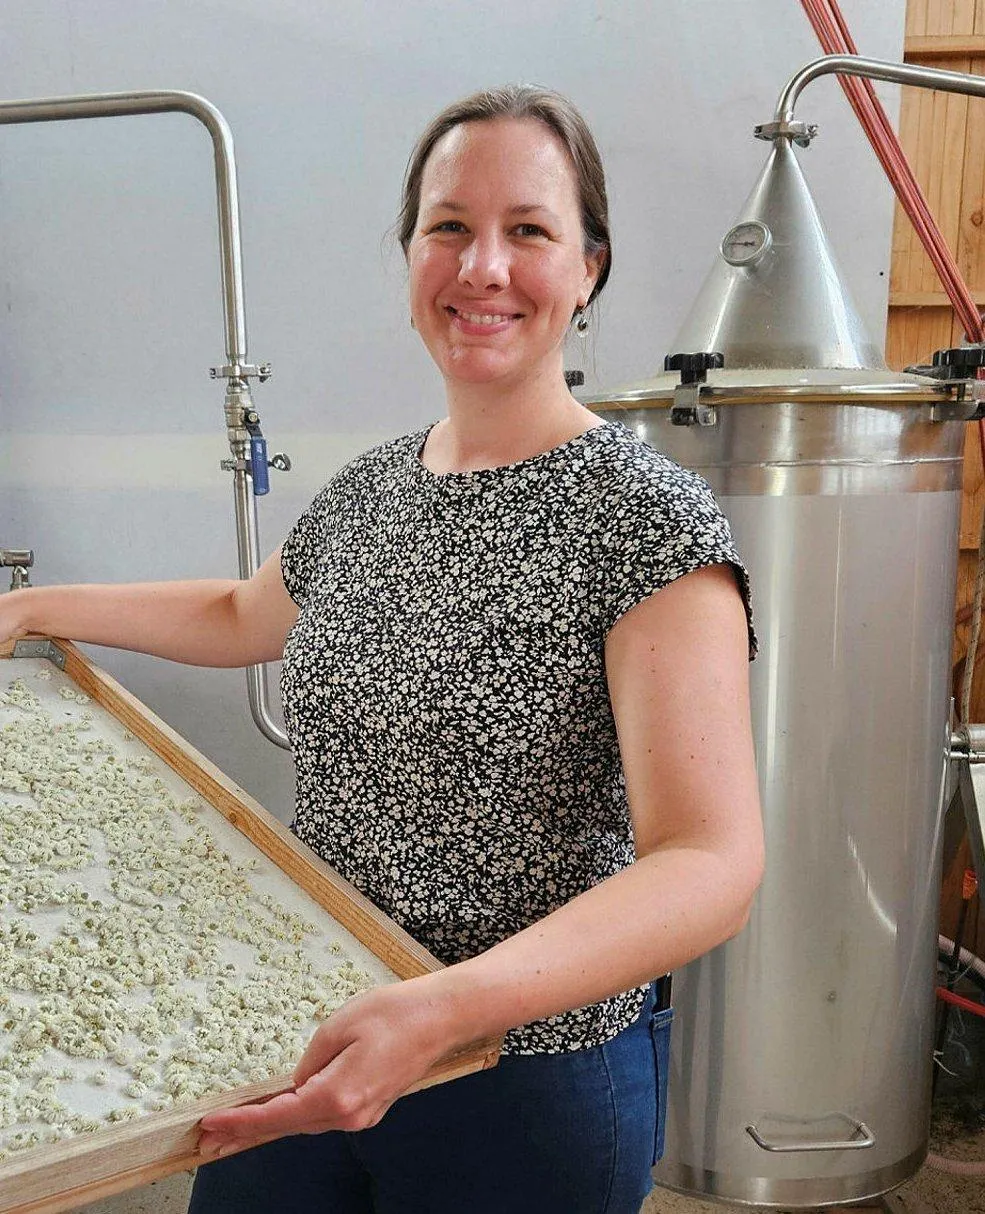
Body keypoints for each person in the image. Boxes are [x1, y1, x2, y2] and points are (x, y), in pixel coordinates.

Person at [0, 86, 764, 1213]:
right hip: (304, 1021)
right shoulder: (373, 487)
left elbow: (707, 861)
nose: (482, 266)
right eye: (448, 226)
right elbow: (241, 615)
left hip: (520, 1079)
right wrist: (31, 609)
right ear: (409, 256)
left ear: (588, 267)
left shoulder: (648, 522)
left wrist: (446, 1005)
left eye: (529, 229)